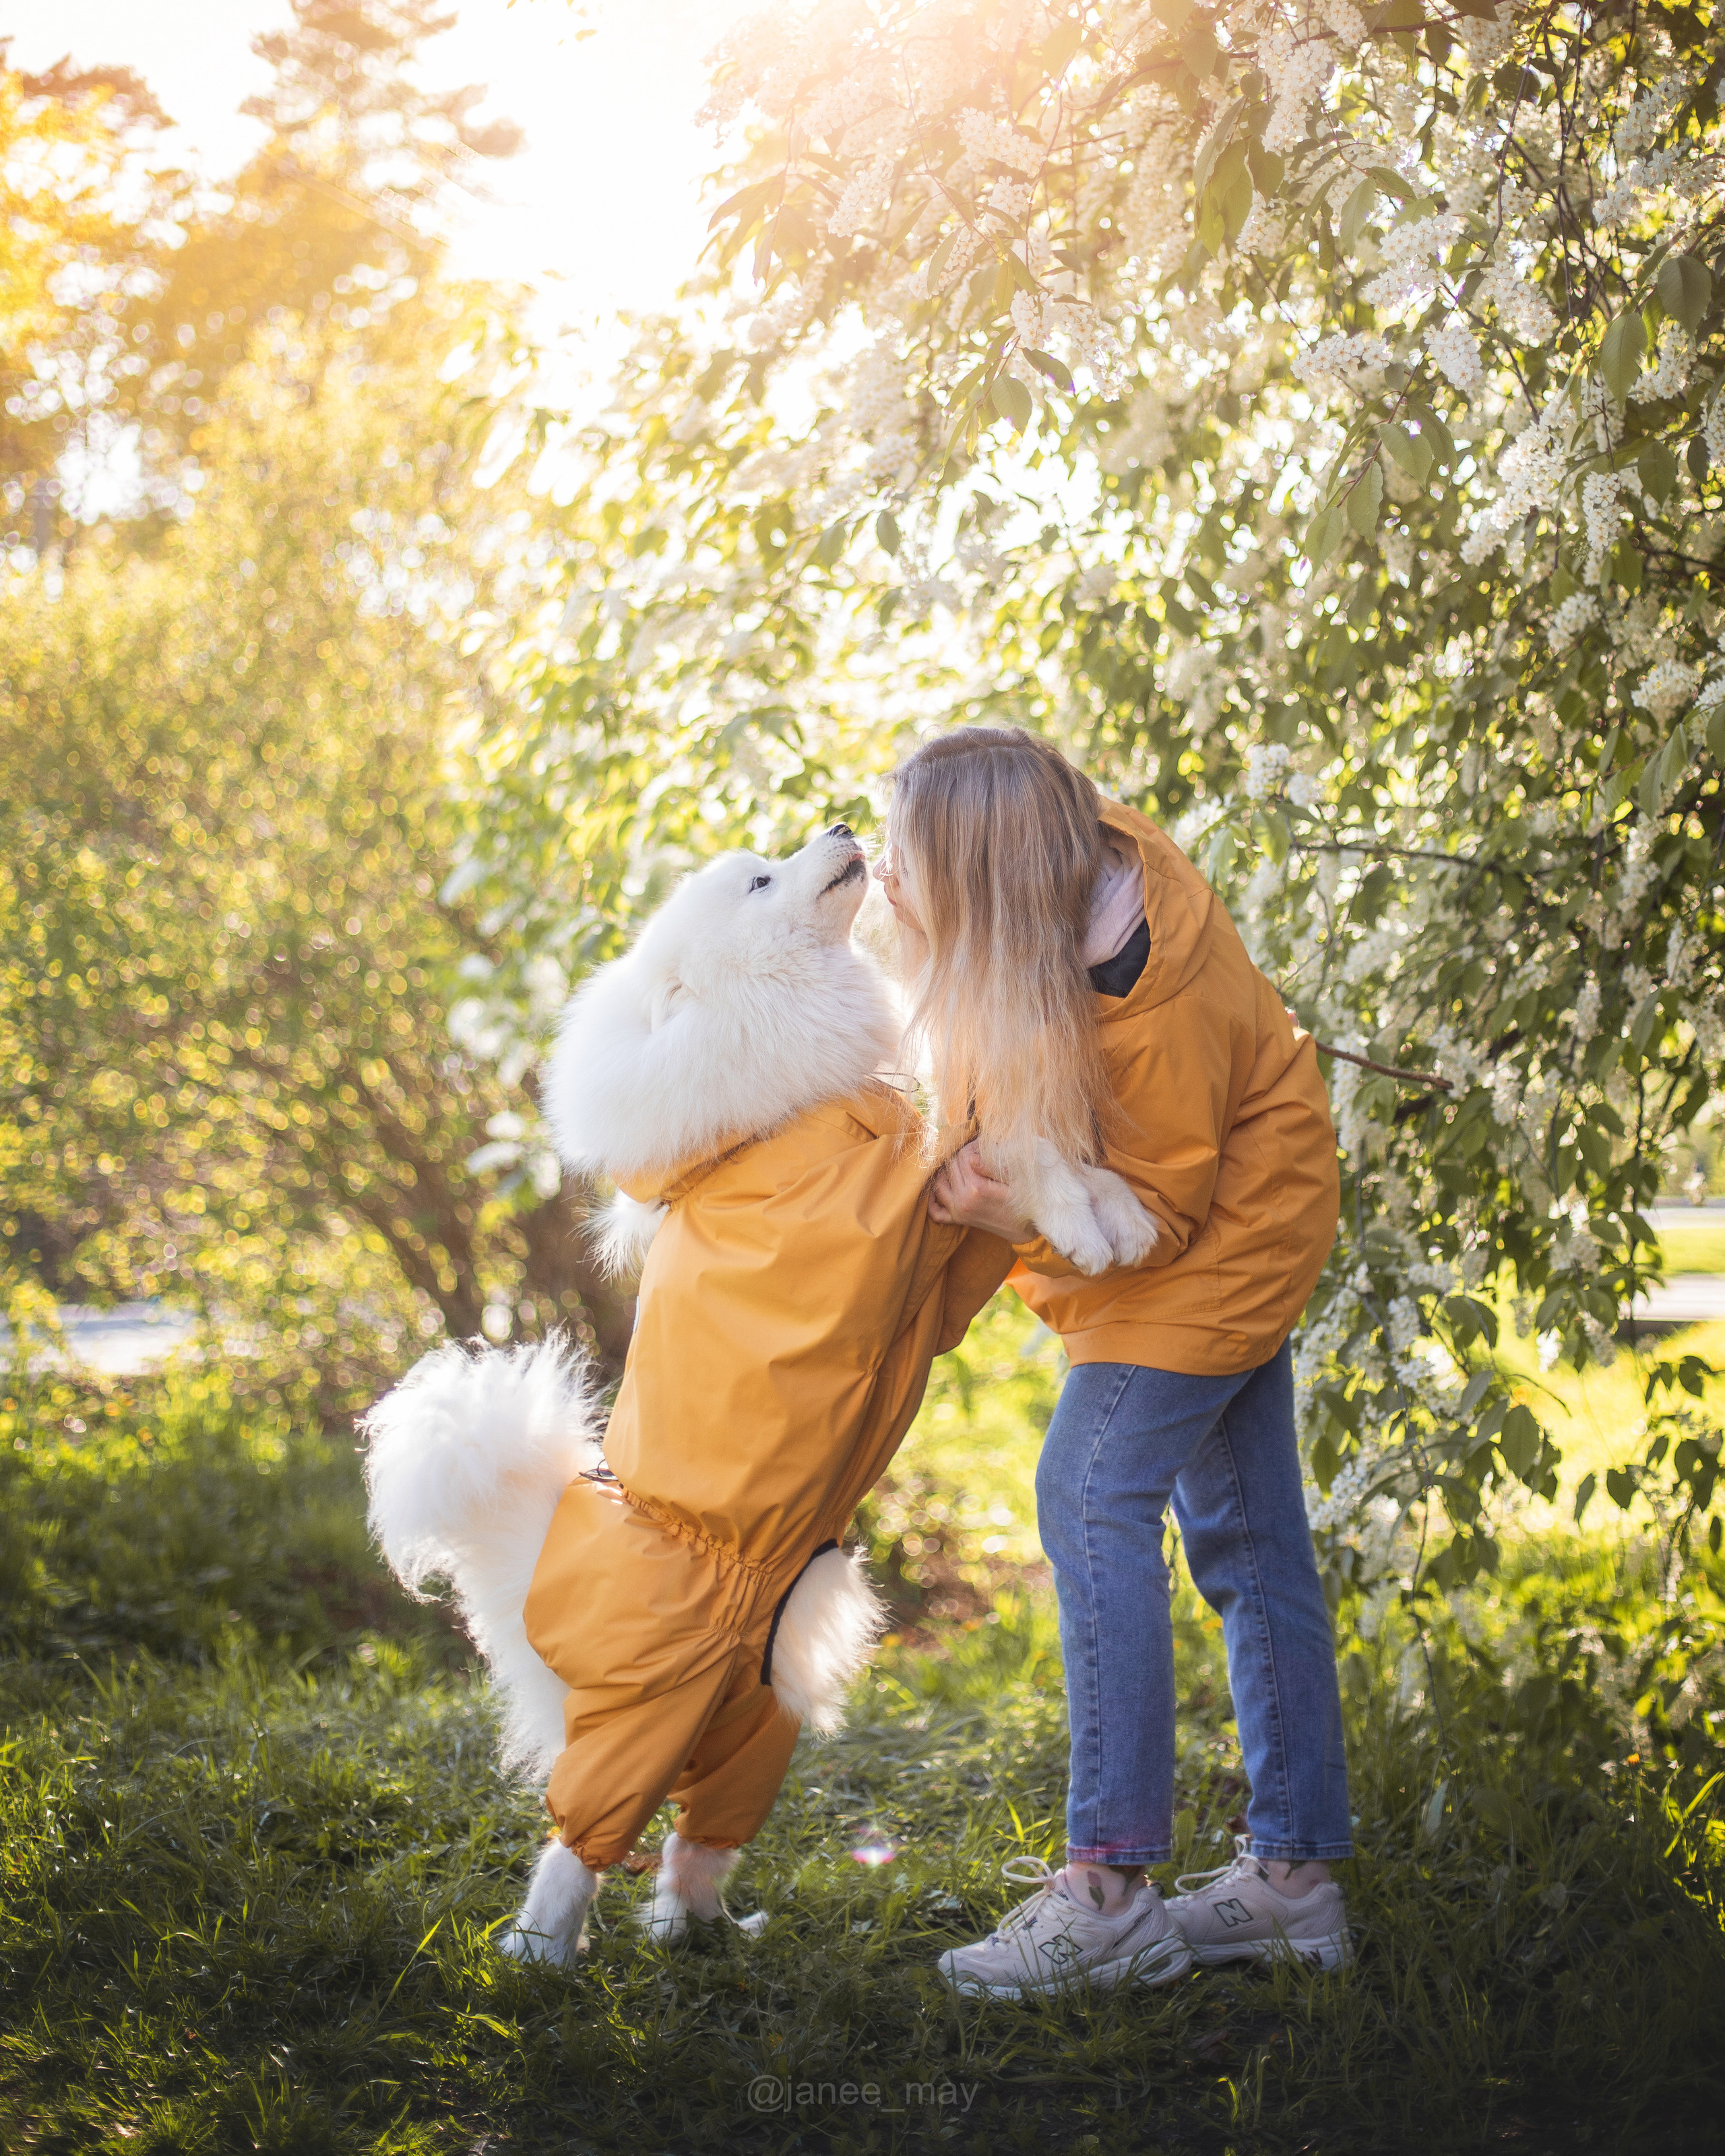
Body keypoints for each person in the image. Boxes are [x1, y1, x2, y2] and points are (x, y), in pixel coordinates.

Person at [873, 726, 1352, 2000]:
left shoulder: (1153, 991)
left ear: (986, 874)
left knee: (1089, 1496)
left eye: (908, 860)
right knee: (1251, 1543)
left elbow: (1158, 1219)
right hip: (1227, 1208)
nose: (883, 876)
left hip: (1221, 1240)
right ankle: (1294, 1886)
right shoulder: (1057, 882)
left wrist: (1004, 1213)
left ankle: (1108, 1888)